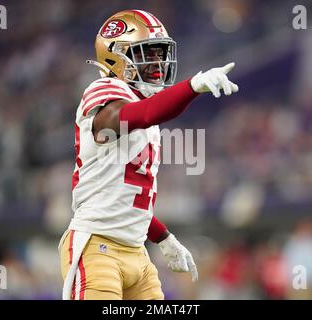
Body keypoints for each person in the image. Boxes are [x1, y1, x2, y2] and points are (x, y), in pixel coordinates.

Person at [59, 9, 238, 300]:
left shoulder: (145, 113)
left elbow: (127, 199)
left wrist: (164, 239)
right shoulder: (105, 91)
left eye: (160, 53)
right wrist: (192, 87)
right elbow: (143, 113)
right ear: (116, 56)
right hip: (97, 246)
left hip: (137, 254)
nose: (158, 62)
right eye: (148, 53)